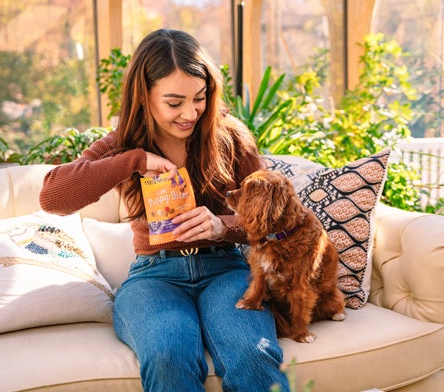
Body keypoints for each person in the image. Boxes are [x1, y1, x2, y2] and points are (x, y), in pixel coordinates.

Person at [39, 28, 290, 392]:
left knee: (253, 353)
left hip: (226, 269)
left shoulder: (231, 137)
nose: (190, 113)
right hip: (155, 277)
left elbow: (275, 222)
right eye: (174, 103)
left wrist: (223, 226)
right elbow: (53, 197)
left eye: (199, 98)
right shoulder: (124, 144)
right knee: (168, 354)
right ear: (144, 97)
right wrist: (133, 160)